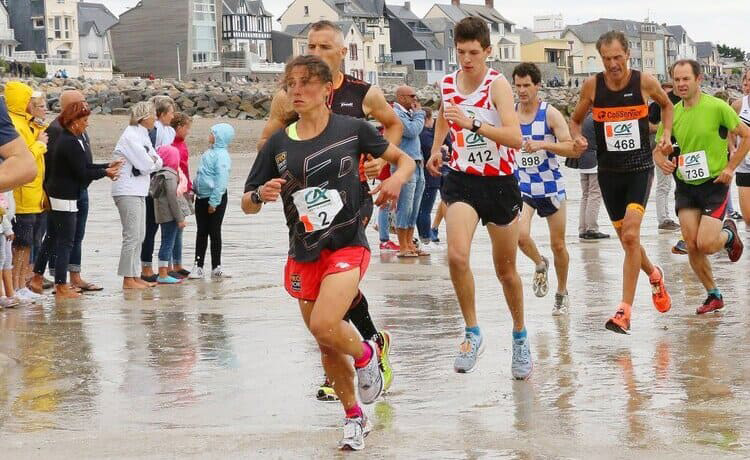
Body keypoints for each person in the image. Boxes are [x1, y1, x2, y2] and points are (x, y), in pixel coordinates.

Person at [242, 55, 415, 451]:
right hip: (304, 251)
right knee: (325, 343)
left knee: (324, 323)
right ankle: (354, 416)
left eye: (305, 83)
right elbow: (247, 202)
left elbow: (403, 159)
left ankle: (368, 352)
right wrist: (258, 195)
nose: (296, 90)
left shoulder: (353, 129)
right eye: (290, 83)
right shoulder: (279, 143)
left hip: (347, 243)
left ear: (326, 89)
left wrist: (396, 181)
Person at [258, 20, 401, 402]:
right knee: (322, 282)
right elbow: (266, 143)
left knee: (343, 268)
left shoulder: (362, 93)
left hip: (354, 199)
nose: (316, 54)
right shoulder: (290, 95)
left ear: (342, 53)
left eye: (324, 48)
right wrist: (269, 177)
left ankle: (358, 353)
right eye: (310, 46)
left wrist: (379, 166)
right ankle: (368, 342)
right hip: (305, 206)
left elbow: (392, 126)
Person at [426, 17, 530, 378]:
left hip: (500, 184)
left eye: (474, 52)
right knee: (456, 255)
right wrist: (438, 148)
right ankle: (472, 332)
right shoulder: (448, 83)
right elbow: (444, 114)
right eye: (461, 52)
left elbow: (515, 138)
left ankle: (519, 336)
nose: (467, 59)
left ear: (488, 51)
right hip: (462, 180)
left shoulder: (496, 85)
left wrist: (472, 124)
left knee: (506, 271)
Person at [569, 31, 674, 334]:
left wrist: (665, 134)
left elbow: (667, 106)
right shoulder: (593, 86)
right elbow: (575, 120)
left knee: (630, 234)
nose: (613, 64)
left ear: (628, 54)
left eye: (617, 57)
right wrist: (576, 137)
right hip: (608, 174)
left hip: (640, 170)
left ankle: (624, 312)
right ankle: (654, 275)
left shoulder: (644, 82)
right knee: (629, 241)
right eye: (606, 59)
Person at [654, 60, 749, 314]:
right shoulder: (671, 114)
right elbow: (659, 147)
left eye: (686, 79)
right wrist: (661, 160)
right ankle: (713, 294)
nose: (681, 84)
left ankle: (729, 234)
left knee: (706, 243)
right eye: (677, 80)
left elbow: (747, 135)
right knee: (691, 242)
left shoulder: (718, 107)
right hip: (685, 184)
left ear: (699, 80)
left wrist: (731, 168)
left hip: (714, 183)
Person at [512, 62, 584, 316]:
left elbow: (570, 147)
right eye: (518, 85)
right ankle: (539, 263)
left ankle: (562, 292)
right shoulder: (509, 113)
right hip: (523, 187)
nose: (521, 91)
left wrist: (543, 144)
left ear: (537, 86)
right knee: (520, 236)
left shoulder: (549, 113)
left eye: (526, 86)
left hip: (551, 185)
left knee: (558, 245)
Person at [30, 102, 120, 298]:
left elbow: (84, 165)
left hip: (59, 193)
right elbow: (81, 173)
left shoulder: (72, 138)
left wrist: (106, 166)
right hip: (64, 196)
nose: (87, 124)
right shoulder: (69, 141)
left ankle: (37, 277)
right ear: (74, 122)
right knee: (66, 241)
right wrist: (105, 172)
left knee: (53, 236)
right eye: (84, 120)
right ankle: (61, 285)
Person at [111, 101, 163, 290]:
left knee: (140, 234)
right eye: (153, 115)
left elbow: (157, 159)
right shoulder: (131, 136)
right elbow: (146, 164)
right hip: (126, 190)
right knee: (131, 235)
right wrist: (152, 162)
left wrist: (152, 162)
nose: (156, 118)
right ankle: (127, 278)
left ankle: (134, 274)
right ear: (145, 117)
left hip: (139, 189)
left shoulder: (143, 135)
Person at [6, 82, 48, 303]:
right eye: (31, 102)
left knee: (28, 243)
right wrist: (40, 144)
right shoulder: (15, 125)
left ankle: (22, 283)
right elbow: (21, 158)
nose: (35, 105)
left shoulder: (27, 123)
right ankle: (14, 284)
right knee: (20, 244)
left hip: (33, 194)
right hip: (22, 195)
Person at [190, 123, 235, 279]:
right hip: (201, 197)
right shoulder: (208, 152)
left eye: (212, 133)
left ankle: (216, 266)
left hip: (216, 198)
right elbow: (202, 174)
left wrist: (214, 202)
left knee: (214, 232)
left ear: (219, 137)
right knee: (201, 232)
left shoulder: (222, 156)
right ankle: (198, 265)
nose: (209, 135)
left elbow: (221, 180)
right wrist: (194, 188)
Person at [140, 97, 176, 282]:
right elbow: (149, 154)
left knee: (160, 226)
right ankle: (146, 267)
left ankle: (165, 265)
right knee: (150, 227)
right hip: (153, 183)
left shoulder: (169, 130)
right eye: (170, 112)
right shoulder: (154, 131)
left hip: (164, 178)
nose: (173, 115)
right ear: (160, 114)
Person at [392, 85, 426, 257]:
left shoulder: (409, 114)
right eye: (412, 96)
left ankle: (410, 243)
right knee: (405, 206)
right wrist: (420, 114)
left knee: (415, 206)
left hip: (418, 163)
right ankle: (402, 246)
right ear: (401, 98)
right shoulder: (396, 114)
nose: (415, 100)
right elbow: (412, 131)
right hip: (403, 164)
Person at [150, 145, 188, 284]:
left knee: (166, 241)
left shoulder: (160, 173)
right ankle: (163, 274)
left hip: (162, 214)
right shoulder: (170, 175)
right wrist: (180, 219)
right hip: (170, 215)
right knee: (167, 243)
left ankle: (163, 272)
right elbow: (173, 198)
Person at [648, 81, 681, 231]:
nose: (681, 83)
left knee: (685, 185)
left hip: (687, 149)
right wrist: (666, 128)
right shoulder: (661, 102)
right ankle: (664, 219)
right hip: (664, 149)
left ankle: (686, 215)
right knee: (664, 185)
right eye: (677, 79)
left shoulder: (696, 100)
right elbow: (646, 124)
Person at [576, 112, 609, 240]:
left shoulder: (584, 118)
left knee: (585, 195)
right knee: (595, 194)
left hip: (583, 159)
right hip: (594, 159)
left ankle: (583, 228)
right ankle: (592, 228)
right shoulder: (598, 117)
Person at [417, 107, 446, 248]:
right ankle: (426, 239)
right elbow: (433, 151)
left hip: (423, 175)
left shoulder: (419, 134)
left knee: (420, 208)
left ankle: (422, 237)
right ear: (427, 119)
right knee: (425, 209)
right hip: (431, 176)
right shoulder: (426, 135)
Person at [170, 113, 193, 278]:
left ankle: (177, 264)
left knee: (180, 228)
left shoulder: (182, 144)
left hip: (184, 188)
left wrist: (189, 187)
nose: (188, 131)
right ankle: (170, 265)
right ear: (178, 127)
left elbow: (185, 167)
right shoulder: (170, 144)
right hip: (174, 188)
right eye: (186, 128)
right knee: (174, 227)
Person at [731, 69, 750, 225]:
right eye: (746, 80)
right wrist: (732, 148)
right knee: (748, 218)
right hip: (744, 165)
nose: (748, 83)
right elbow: (727, 130)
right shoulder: (738, 105)